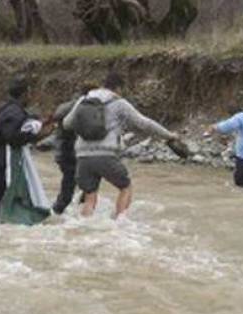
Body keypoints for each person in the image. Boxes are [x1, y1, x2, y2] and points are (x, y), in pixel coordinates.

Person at [61, 72, 181, 219]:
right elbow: (144, 123)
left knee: (90, 197)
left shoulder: (83, 100)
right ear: (118, 88)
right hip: (106, 155)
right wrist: (169, 135)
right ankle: (119, 224)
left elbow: (66, 123)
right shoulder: (118, 102)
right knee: (125, 187)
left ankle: (84, 227)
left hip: (82, 156)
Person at [0, 78, 52, 225]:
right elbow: (12, 138)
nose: (30, 96)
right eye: (29, 93)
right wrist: (38, 135)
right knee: (4, 203)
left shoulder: (6, 109)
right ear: (24, 94)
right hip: (3, 165)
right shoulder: (14, 113)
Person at [47, 82, 97, 215]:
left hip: (68, 151)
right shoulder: (77, 106)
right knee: (70, 185)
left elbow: (55, 116)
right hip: (68, 151)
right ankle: (57, 212)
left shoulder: (68, 105)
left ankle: (77, 210)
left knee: (84, 182)